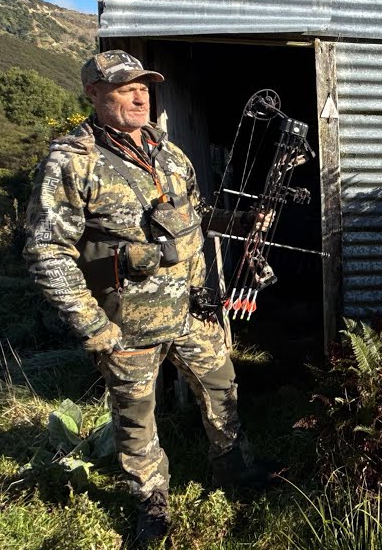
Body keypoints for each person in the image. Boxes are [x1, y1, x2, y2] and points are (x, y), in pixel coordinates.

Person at [23, 50, 273, 545]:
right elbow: (47, 251)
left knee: (222, 387)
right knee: (136, 417)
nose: (140, 96)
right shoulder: (73, 160)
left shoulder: (169, 153)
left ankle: (235, 469)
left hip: (192, 310)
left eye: (144, 87)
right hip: (125, 322)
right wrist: (93, 326)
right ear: (94, 94)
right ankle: (151, 500)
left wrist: (239, 223)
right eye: (124, 88)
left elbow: (195, 214)